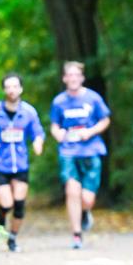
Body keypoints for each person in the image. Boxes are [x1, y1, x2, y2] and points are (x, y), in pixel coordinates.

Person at [49, 61, 111, 249]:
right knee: (71, 191)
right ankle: (76, 234)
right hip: (68, 151)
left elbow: (105, 119)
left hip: (91, 150)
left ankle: (85, 212)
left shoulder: (93, 98)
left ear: (82, 78)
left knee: (87, 198)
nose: (73, 78)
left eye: (77, 75)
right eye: (70, 75)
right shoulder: (59, 101)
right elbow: (54, 125)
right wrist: (57, 133)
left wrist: (90, 132)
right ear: (65, 78)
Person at [0, 73, 45, 252]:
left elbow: (38, 132)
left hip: (21, 164)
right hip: (0, 164)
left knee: (19, 204)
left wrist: (38, 143)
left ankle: (12, 238)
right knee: (7, 204)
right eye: (8, 87)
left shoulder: (29, 112)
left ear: (21, 89)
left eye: (15, 86)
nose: (11, 90)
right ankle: (1, 214)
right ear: (4, 89)